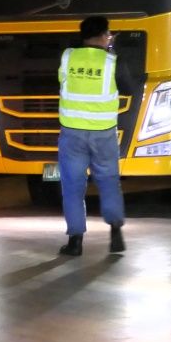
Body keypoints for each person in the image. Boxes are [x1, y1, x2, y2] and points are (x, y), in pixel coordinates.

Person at [57, 15, 128, 256]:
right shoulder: (112, 61)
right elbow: (128, 86)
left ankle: (75, 242)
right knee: (108, 182)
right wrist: (111, 50)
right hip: (104, 134)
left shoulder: (68, 57)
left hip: (72, 133)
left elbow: (61, 81)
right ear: (105, 35)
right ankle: (115, 232)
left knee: (73, 186)